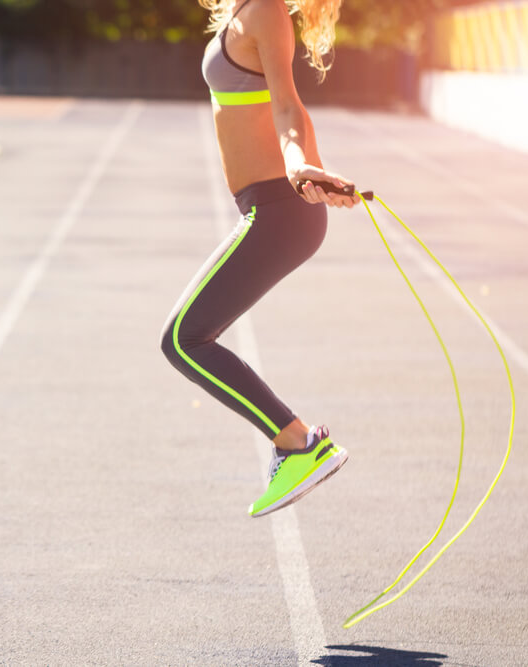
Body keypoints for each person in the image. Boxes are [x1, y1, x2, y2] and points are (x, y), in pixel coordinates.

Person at [160, 0, 358, 517]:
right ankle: (297, 443)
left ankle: (299, 444)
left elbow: (288, 107)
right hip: (271, 207)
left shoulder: (266, 10)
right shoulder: (246, 8)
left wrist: (299, 166)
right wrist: (311, 169)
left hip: (278, 211)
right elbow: (288, 109)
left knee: (183, 340)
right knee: (186, 340)